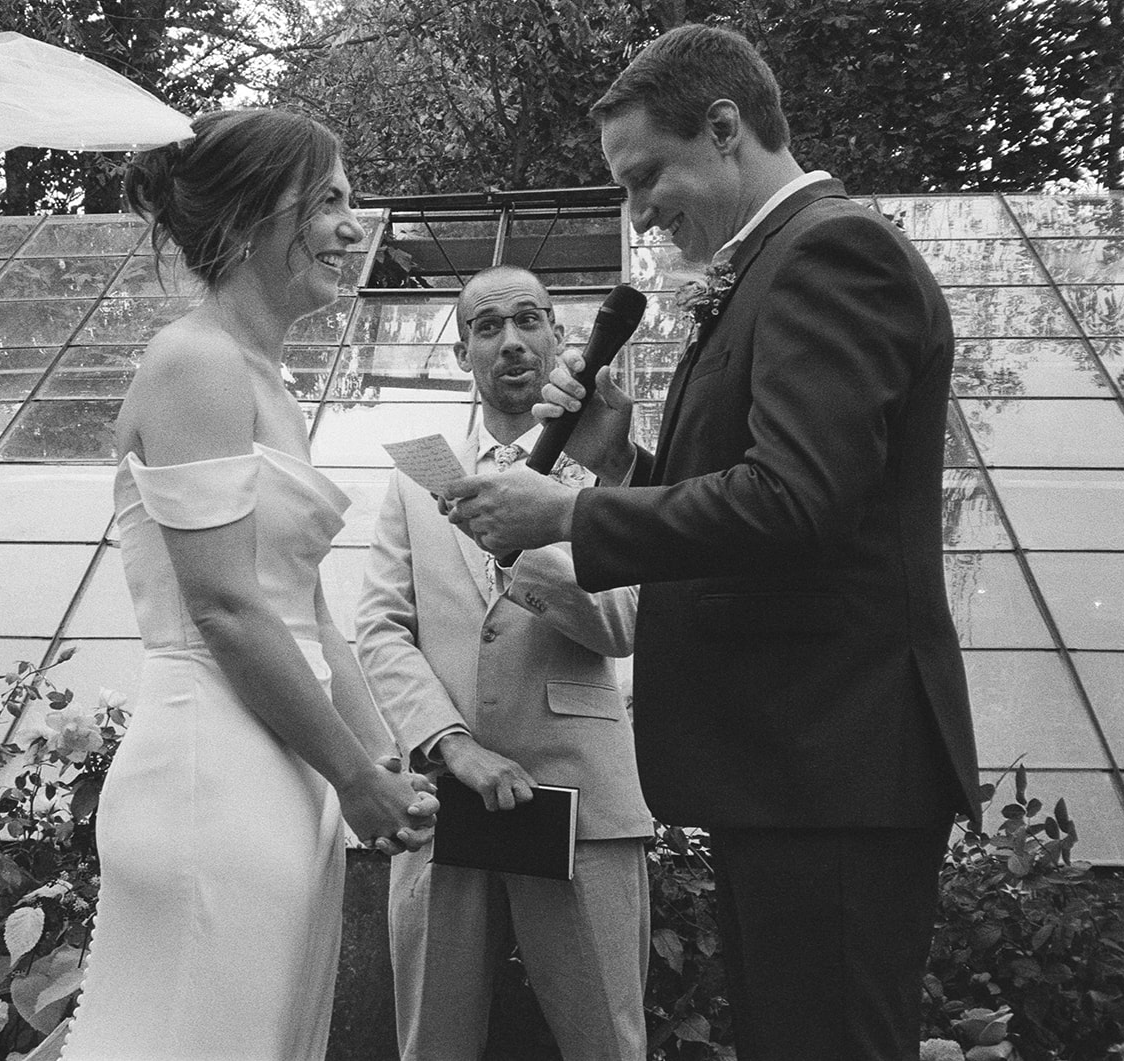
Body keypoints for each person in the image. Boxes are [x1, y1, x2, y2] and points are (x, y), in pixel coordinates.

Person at [438, 25, 983, 1061]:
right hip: (793, 764)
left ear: (725, 129)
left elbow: (795, 502)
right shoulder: (775, 261)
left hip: (833, 758)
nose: (640, 211)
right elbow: (777, 502)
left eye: (647, 177)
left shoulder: (830, 252)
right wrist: (614, 458)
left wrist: (566, 516)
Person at [57, 108, 437, 1061]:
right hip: (210, 772)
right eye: (333, 202)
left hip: (282, 767)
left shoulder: (265, 375)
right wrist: (352, 773)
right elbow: (226, 609)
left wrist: (381, 753)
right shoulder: (196, 364)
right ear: (258, 214)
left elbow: (304, 607)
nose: (357, 228)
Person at [355, 265, 653, 1061]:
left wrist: (526, 548)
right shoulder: (416, 480)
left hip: (581, 799)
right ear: (462, 354)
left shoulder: (610, 465)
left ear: (560, 338)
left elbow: (627, 621)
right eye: (489, 326)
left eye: (531, 320)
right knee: (434, 1043)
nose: (513, 341)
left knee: (607, 1044)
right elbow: (380, 627)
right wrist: (452, 745)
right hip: (446, 800)